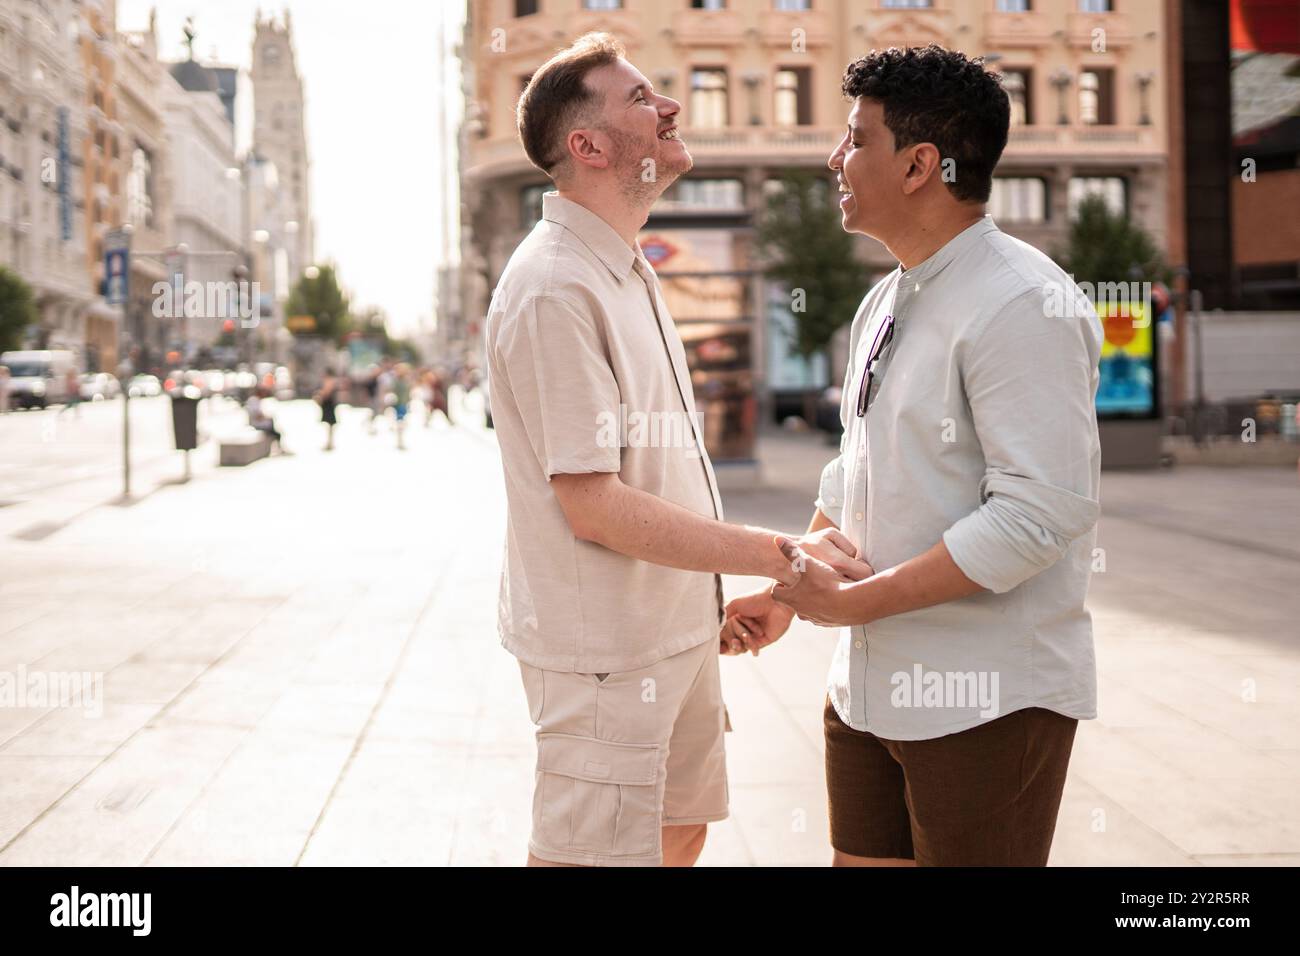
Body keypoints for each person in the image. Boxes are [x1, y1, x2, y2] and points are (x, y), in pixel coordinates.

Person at [487, 32, 864, 869]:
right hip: (605, 654)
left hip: (673, 631)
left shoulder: (625, 266)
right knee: (592, 859)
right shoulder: (554, 285)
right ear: (586, 145)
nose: (670, 107)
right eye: (640, 99)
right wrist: (783, 554)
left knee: (678, 832)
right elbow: (593, 505)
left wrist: (711, 599)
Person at [721, 45, 1102, 868]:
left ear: (921, 164)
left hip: (986, 698)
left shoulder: (1021, 302)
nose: (835, 159)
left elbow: (1041, 515)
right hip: (864, 688)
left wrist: (860, 604)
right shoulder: (885, 297)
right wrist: (792, 591)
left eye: (856, 138)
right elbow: (856, 468)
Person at [246, 386, 284, 454]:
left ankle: (278, 447)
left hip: (258, 423)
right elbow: (256, 415)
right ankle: (278, 448)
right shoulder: (254, 401)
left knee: (273, 428)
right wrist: (265, 417)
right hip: (257, 425)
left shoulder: (256, 400)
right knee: (276, 433)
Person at [315, 373, 339, 451]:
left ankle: (329, 443)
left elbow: (326, 393)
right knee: (329, 426)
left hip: (328, 406)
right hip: (329, 405)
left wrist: (319, 396)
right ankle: (329, 443)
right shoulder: (332, 382)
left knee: (330, 425)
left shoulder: (329, 382)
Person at [392, 363, 411, 450]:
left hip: (404, 404)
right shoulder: (396, 381)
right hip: (398, 405)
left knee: (402, 424)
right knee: (400, 423)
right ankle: (400, 441)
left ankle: (400, 441)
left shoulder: (406, 380)